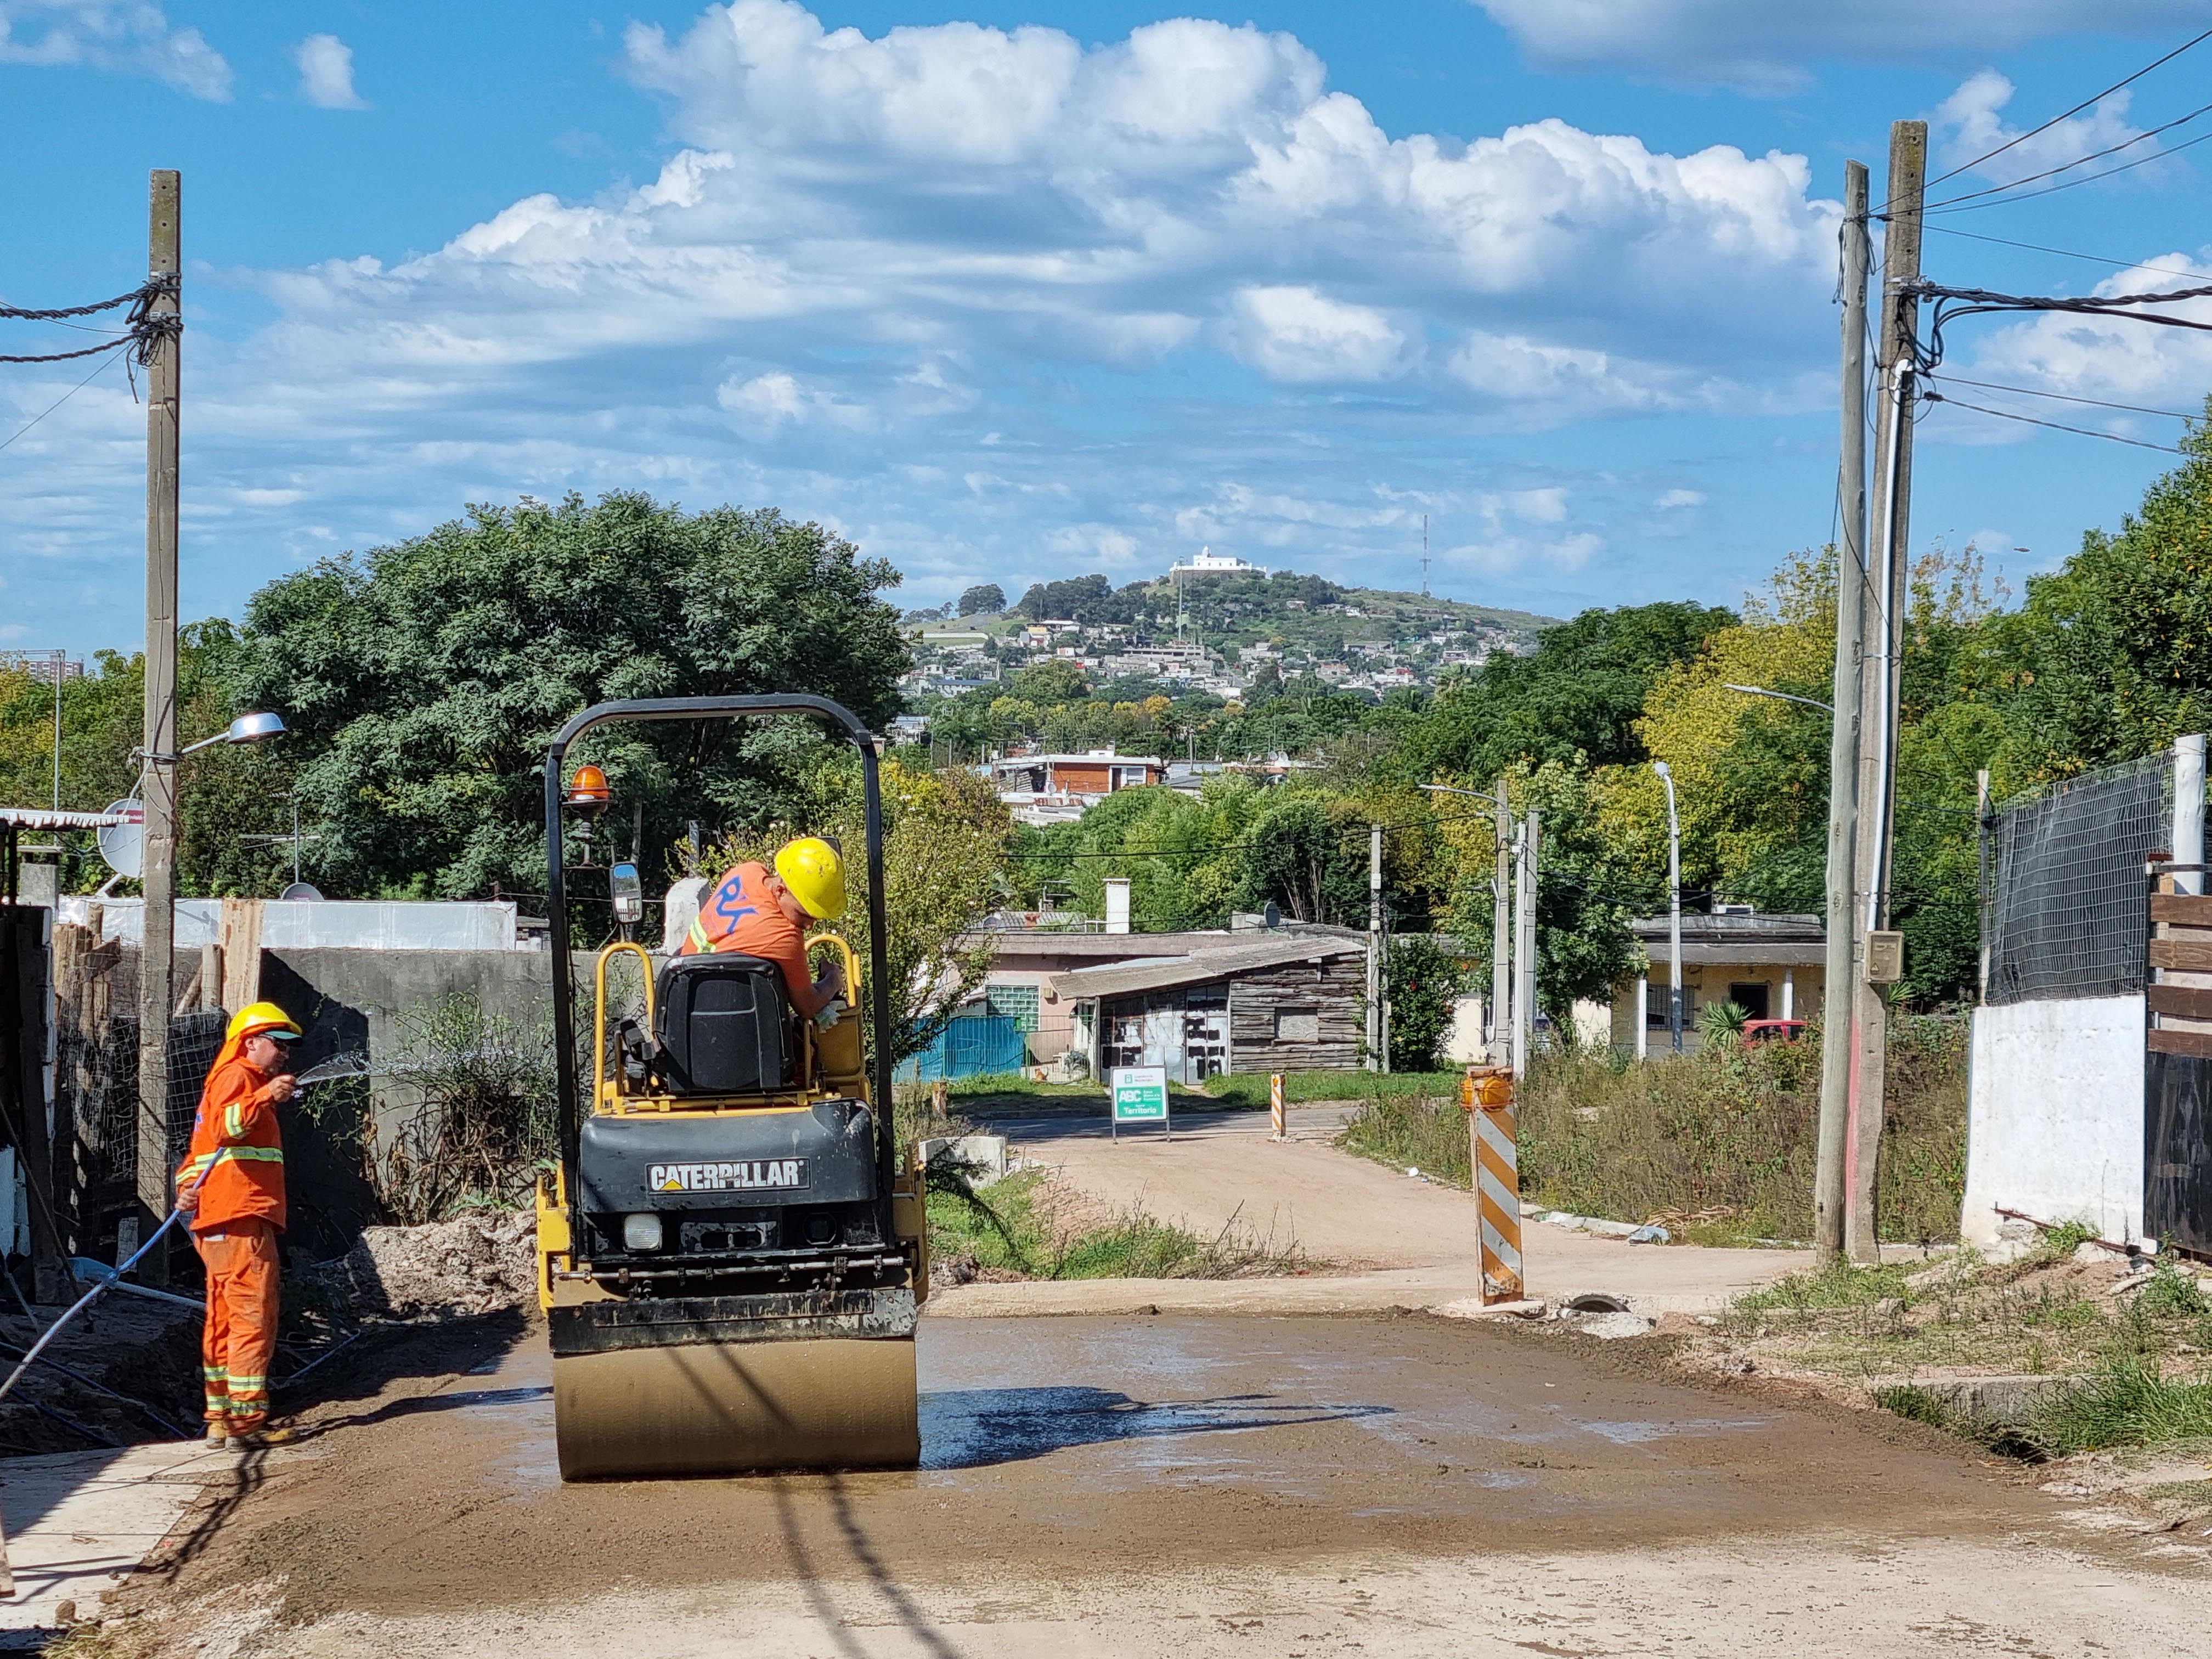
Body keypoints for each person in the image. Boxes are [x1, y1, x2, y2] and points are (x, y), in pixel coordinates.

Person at [176, 1001, 300, 1451]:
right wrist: (267, 1096)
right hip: (242, 1216)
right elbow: (231, 1129)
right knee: (253, 1316)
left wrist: (186, 1194)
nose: (286, 1053)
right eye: (279, 1043)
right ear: (251, 1043)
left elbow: (196, 1158)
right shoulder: (241, 1079)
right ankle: (247, 1421)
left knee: (225, 1319)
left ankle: (221, 1419)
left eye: (290, 1046)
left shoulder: (226, 1082)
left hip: (219, 1219)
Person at [681, 836, 848, 1018]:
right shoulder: (785, 937)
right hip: (741, 1031)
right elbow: (808, 1006)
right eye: (804, 915)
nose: (809, 926)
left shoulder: (745, 871)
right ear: (781, 891)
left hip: (685, 1008)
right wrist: (833, 980)